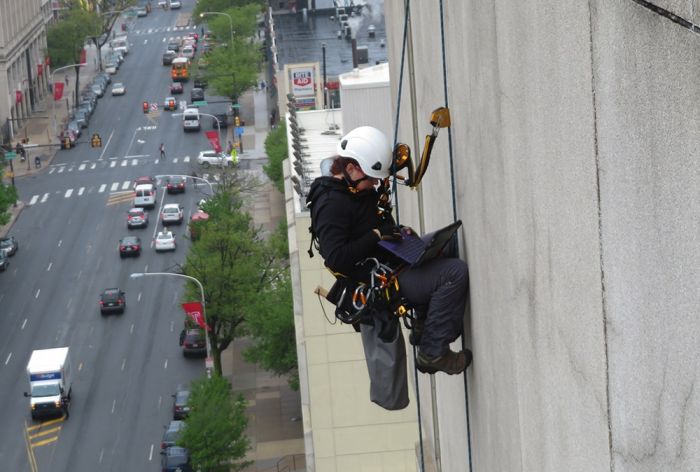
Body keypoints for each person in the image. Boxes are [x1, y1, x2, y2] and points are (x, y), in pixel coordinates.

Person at [307, 126, 472, 375]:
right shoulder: (331, 205)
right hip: (381, 279)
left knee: (445, 243)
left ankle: (424, 324)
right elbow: (336, 258)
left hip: (392, 255)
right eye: (371, 179)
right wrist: (375, 236)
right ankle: (433, 352)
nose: (374, 183)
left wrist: (392, 232)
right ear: (351, 169)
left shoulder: (349, 179)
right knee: (454, 273)